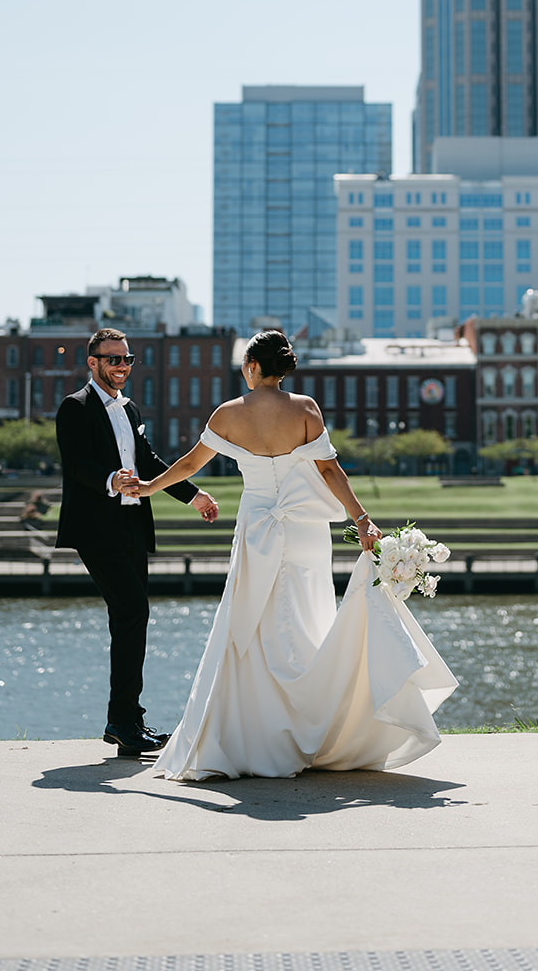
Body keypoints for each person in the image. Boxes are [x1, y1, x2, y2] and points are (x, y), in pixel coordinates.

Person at [120, 327, 456, 780]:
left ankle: (255, 735)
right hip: (303, 529)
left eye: (244, 363)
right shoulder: (305, 409)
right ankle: (315, 726)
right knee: (305, 621)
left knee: (251, 626)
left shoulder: (228, 413)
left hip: (257, 525)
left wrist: (146, 488)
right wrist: (361, 520)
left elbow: (188, 465)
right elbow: (330, 469)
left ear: (253, 367)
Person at [55, 326, 219, 757]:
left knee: (131, 617)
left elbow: (147, 462)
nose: (122, 366)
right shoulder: (75, 407)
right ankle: (123, 721)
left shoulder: (129, 409)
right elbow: (76, 465)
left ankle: (126, 722)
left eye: (127, 359)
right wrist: (112, 479)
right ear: (92, 363)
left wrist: (193, 494)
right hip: (96, 527)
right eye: (113, 359)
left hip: (131, 526)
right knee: (132, 610)